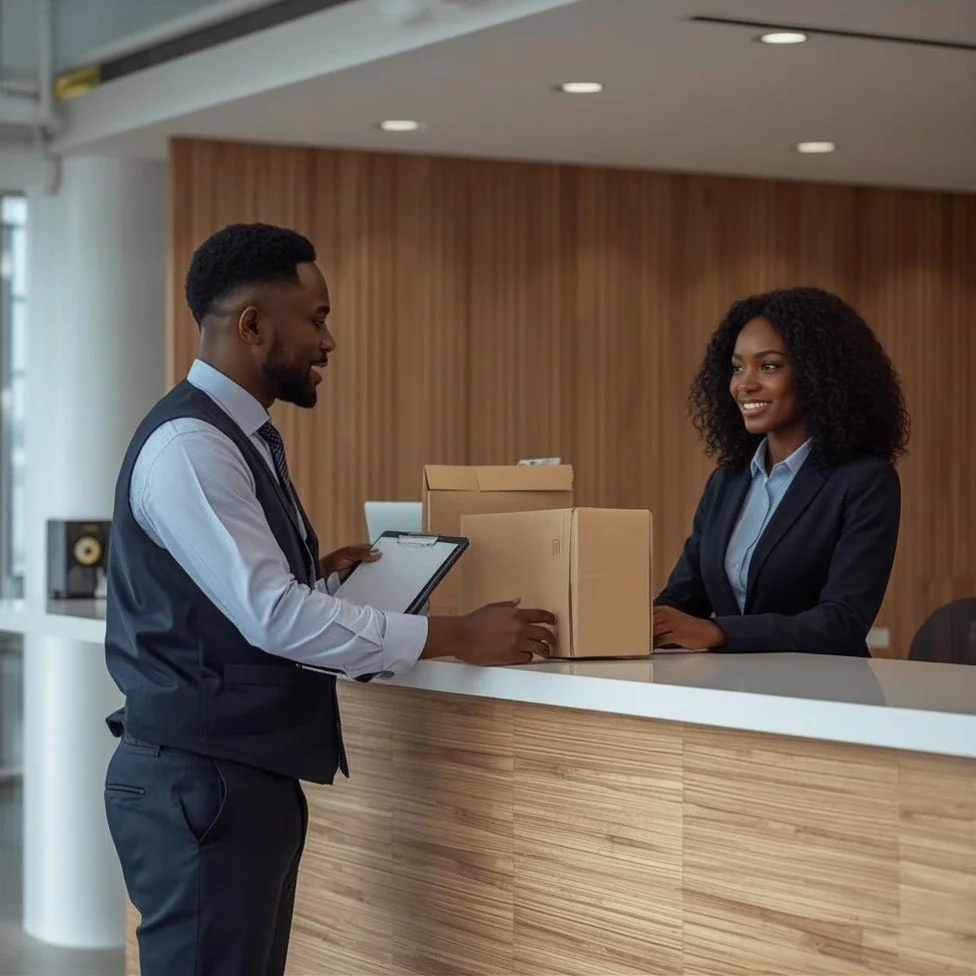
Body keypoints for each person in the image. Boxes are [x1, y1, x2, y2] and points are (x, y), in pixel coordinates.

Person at [102, 222, 557, 976]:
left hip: (230, 780)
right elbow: (273, 616)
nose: (328, 341)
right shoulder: (195, 445)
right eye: (316, 318)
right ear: (252, 324)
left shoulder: (237, 437)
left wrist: (321, 582)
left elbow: (245, 602)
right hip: (203, 785)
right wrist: (454, 635)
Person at [653, 286, 910, 655]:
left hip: (824, 697)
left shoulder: (864, 481)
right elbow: (682, 599)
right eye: (737, 367)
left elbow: (843, 621)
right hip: (735, 697)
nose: (746, 383)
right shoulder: (726, 481)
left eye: (769, 365)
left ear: (819, 374)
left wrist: (719, 632)